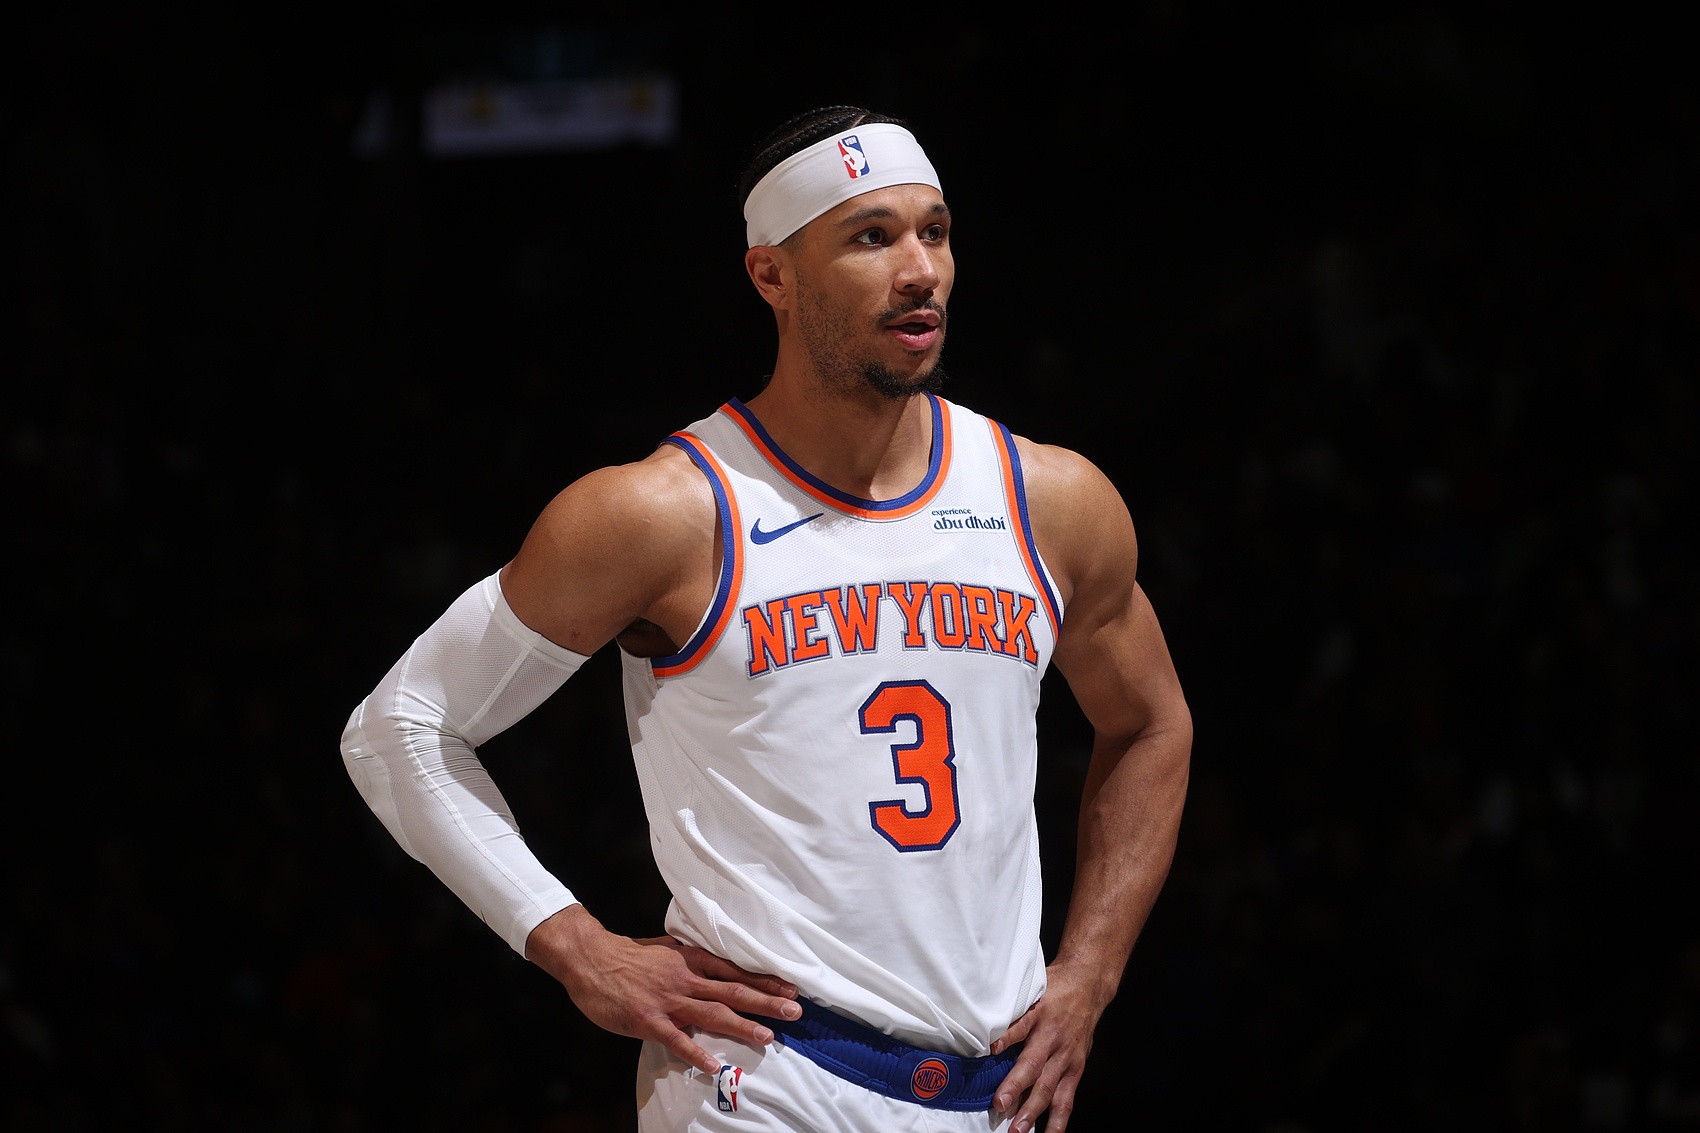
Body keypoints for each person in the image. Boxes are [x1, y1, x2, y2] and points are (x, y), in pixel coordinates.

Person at [341, 105, 1191, 1132]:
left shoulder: (1048, 499)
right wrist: (576, 946)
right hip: (764, 1079)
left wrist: (1091, 970)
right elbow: (399, 727)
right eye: (871, 237)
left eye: (934, 231)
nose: (919, 269)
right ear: (771, 275)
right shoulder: (663, 512)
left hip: (993, 1093)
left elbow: (1150, 722)